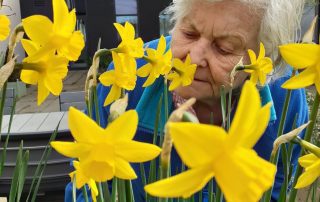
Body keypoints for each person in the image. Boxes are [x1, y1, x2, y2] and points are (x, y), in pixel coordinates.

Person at [65, 0, 308, 201]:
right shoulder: (126, 80)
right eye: (189, 33)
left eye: (223, 48)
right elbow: (85, 189)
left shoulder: (284, 98)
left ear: (261, 58)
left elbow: (275, 191)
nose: (193, 58)